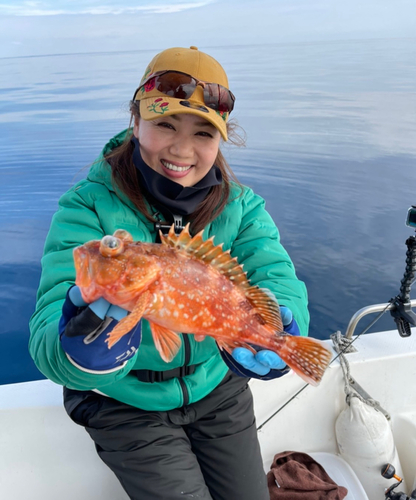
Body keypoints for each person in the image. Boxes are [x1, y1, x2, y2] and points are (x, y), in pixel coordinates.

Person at [29, 46, 309, 500]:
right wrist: (74, 349)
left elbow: (274, 275)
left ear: (221, 139)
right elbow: (46, 333)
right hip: (122, 401)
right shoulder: (86, 205)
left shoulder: (243, 207)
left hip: (217, 388)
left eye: (203, 133)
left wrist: (283, 324)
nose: (182, 149)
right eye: (164, 125)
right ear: (135, 120)